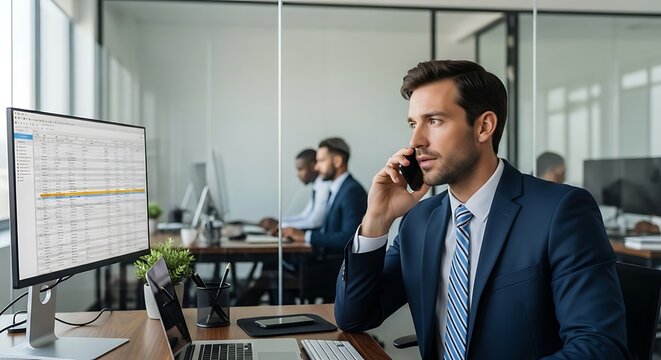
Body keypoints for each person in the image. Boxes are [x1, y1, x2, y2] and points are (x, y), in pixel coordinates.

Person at [334, 60, 628, 359]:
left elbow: (600, 347)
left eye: (434, 121)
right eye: (413, 124)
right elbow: (354, 317)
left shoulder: (560, 212)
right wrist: (376, 220)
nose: (416, 141)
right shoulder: (420, 221)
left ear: (484, 126)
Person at [282, 138, 368, 254]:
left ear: (337, 161)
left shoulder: (352, 190)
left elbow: (349, 237)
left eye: (321, 161)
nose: (316, 167)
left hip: (334, 264)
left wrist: (306, 236)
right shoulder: (337, 188)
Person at [259, 148, 330, 234]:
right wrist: (279, 222)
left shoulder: (324, 187)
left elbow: (314, 222)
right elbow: (305, 216)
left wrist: (280, 225)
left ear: (313, 166)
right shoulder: (318, 186)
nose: (297, 174)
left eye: (300, 169)